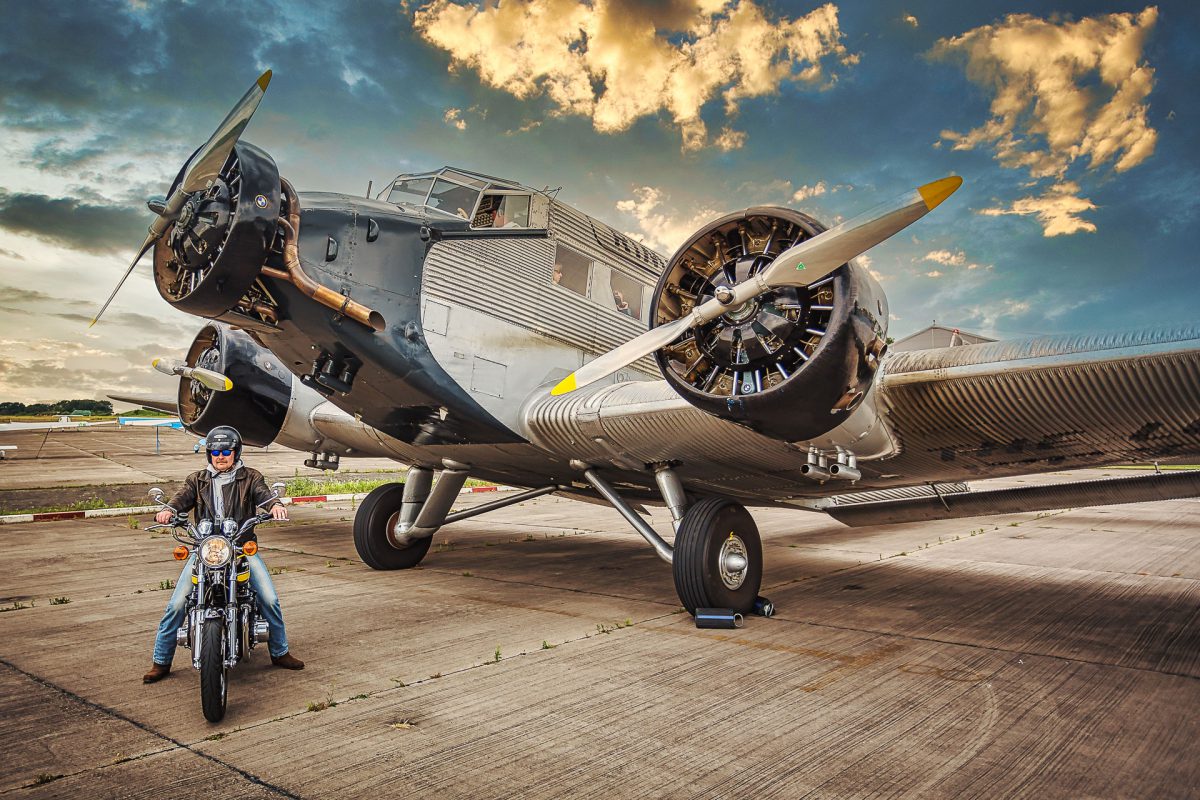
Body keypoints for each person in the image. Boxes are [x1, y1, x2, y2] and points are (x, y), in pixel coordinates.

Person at [142, 426, 303, 683]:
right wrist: (169, 510)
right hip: (206, 550)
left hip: (240, 547)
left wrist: (275, 505)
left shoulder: (250, 477)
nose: (220, 456)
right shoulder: (197, 479)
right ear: (209, 453)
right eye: (215, 451)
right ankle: (161, 661)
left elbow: (263, 496)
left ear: (235, 452)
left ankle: (279, 651)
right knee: (177, 604)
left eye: (226, 451)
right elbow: (181, 498)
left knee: (269, 598)